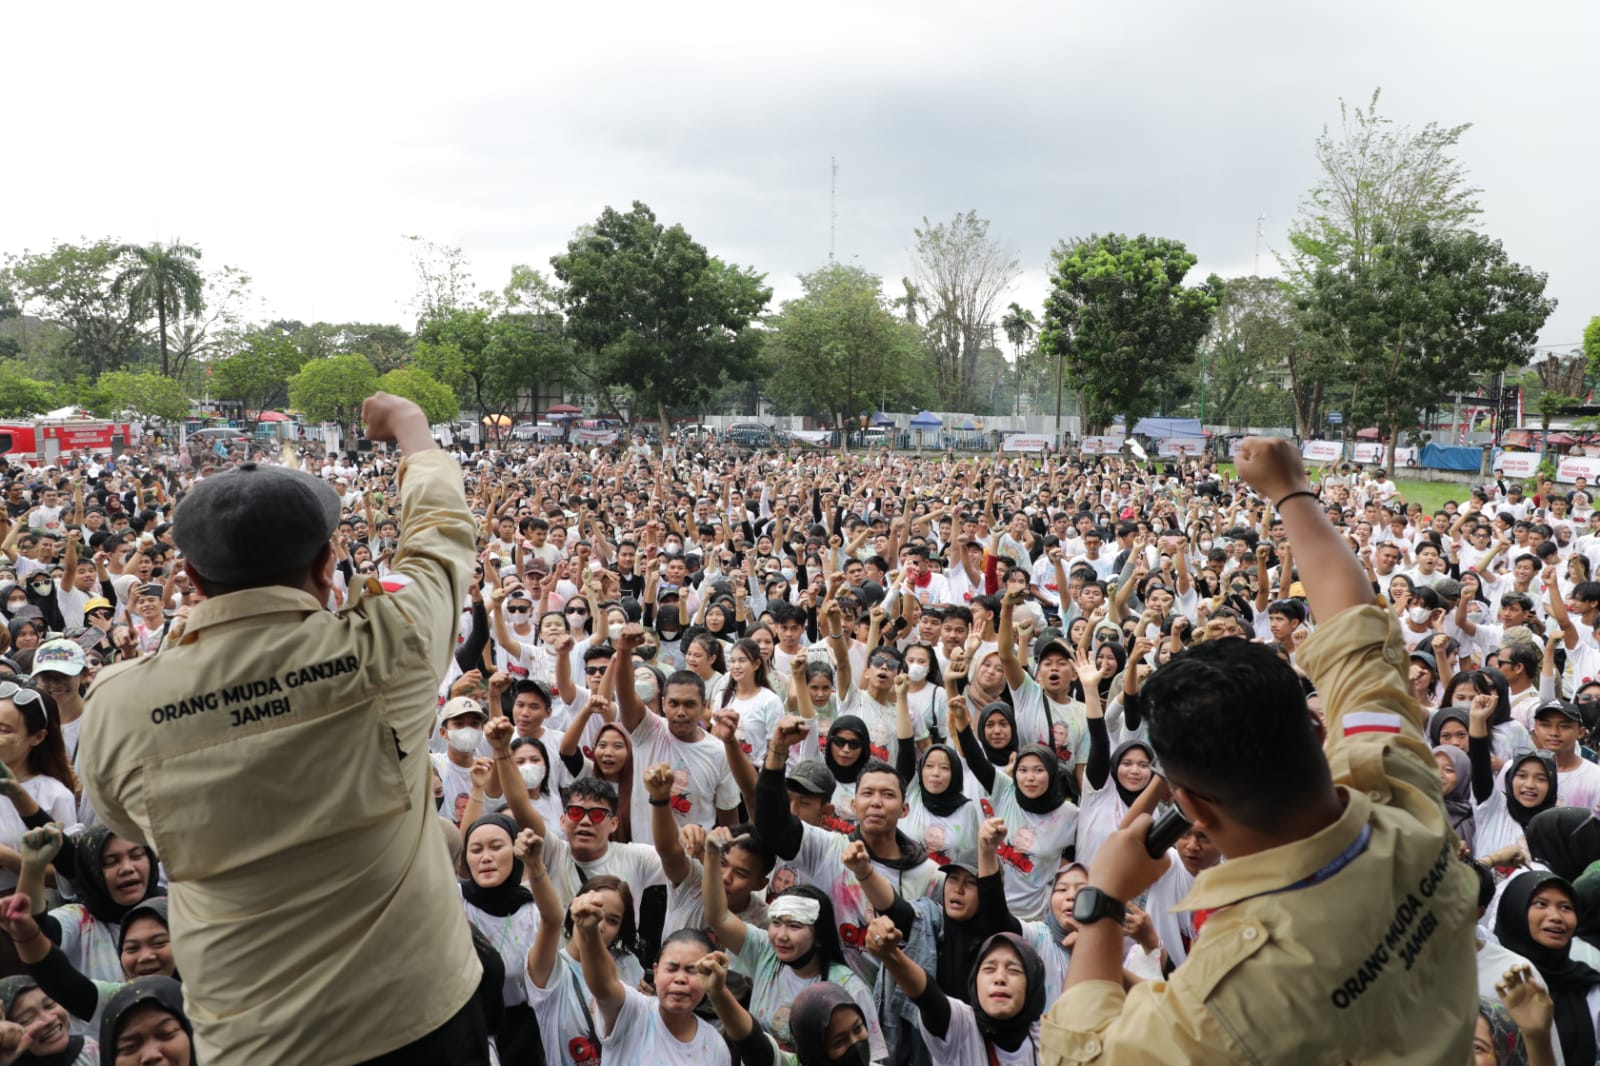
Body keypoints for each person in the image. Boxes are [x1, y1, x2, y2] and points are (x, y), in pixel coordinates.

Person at [75, 393, 488, 1065]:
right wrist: (411, 427)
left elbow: (127, 817)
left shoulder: (119, 705)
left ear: (190, 579)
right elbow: (441, 540)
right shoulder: (391, 643)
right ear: (328, 565)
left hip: (254, 1040)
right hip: (418, 1016)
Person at [1038, 435, 1479, 1063]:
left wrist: (1104, 901)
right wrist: (1291, 490)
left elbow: (1076, 1054)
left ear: (1192, 807)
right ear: (1316, 730)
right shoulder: (1400, 792)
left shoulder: (1226, 997)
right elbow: (1357, 633)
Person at [1492, 871, 1600, 1065]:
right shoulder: (1491, 980)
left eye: (1566, 907)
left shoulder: (1586, 984)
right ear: (1515, 909)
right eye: (1541, 904)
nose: (1556, 917)